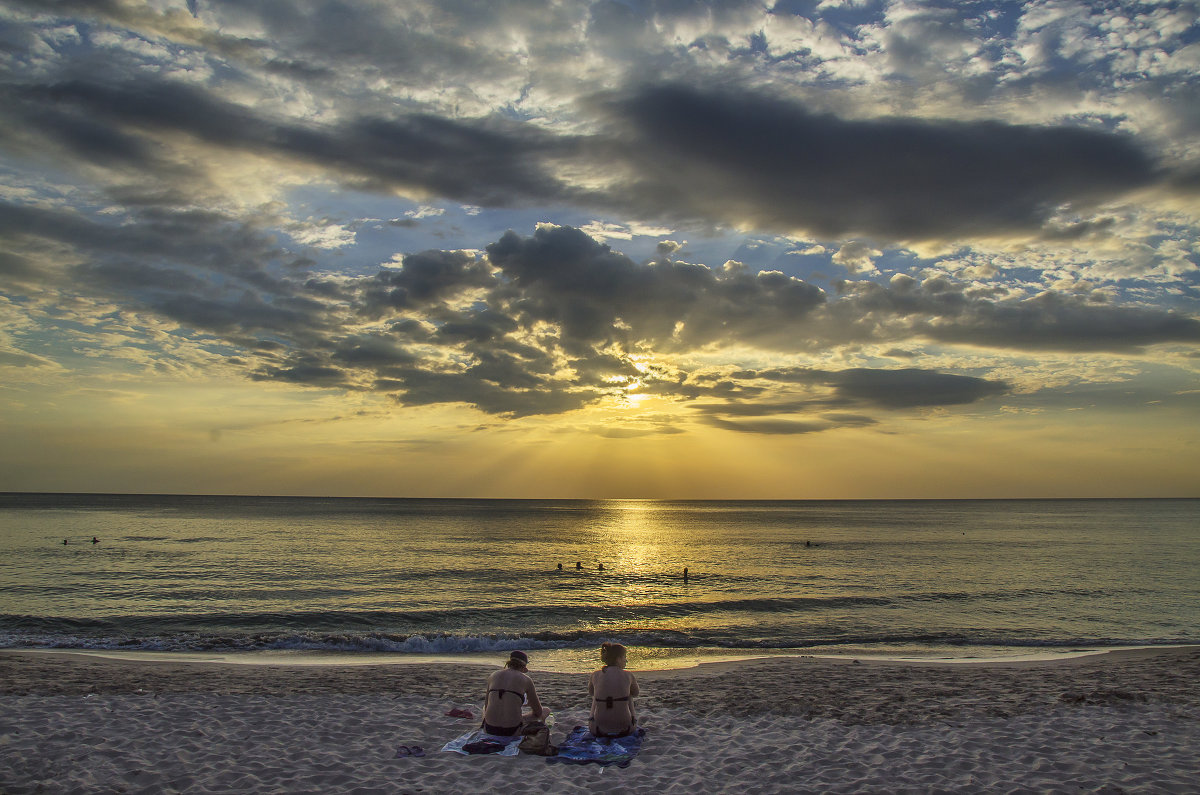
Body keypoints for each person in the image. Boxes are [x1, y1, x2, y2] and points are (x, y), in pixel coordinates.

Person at [481, 650, 547, 736]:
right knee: (546, 711)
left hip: (490, 728)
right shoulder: (526, 680)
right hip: (512, 730)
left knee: (484, 708)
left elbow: (487, 706)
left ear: (509, 663)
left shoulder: (493, 675)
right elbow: (538, 712)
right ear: (524, 666)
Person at [588, 642, 639, 739]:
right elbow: (636, 693)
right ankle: (633, 719)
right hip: (626, 729)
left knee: (596, 696)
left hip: (598, 730)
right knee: (629, 695)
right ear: (618, 659)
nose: (626, 661)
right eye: (624, 657)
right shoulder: (628, 675)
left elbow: (591, 693)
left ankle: (591, 718)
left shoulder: (595, 675)